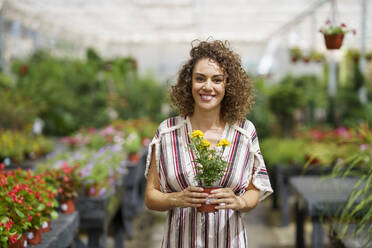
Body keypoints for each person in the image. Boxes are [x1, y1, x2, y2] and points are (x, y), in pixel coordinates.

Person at [145, 40, 273, 248]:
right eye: (200, 78)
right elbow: (151, 196)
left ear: (227, 86)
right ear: (189, 83)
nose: (208, 86)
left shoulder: (244, 132)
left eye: (217, 80)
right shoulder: (167, 132)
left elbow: (253, 191)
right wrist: (175, 199)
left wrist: (239, 202)